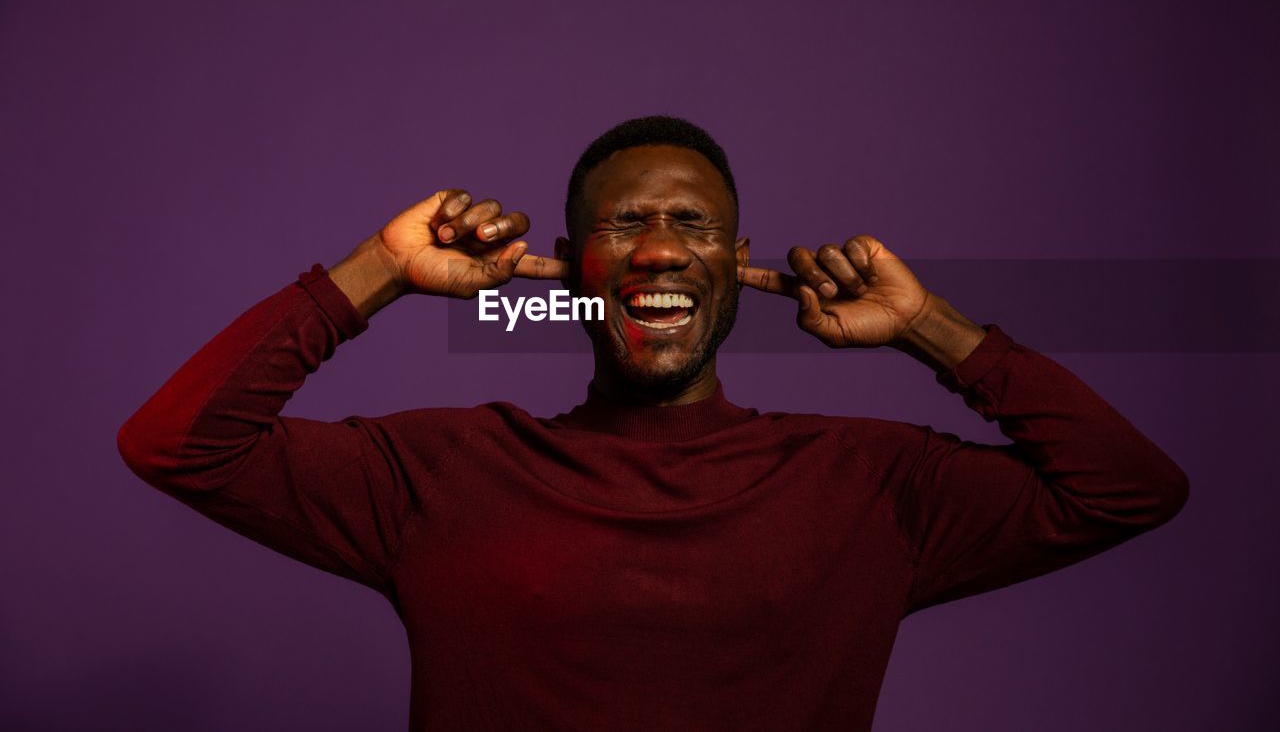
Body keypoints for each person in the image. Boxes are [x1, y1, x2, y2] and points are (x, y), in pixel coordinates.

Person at [118, 115, 1189, 731]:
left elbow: (1127, 486)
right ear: (570, 268)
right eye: (623, 224)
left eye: (694, 226)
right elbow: (176, 443)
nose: (660, 250)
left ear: (734, 264)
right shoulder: (441, 471)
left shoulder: (866, 482)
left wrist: (926, 326)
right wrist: (380, 271)